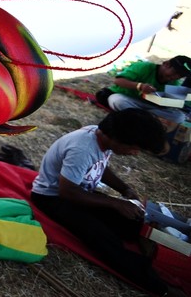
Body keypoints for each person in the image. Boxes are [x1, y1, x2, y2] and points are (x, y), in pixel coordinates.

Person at [29, 109, 181, 297]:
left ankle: (143, 244)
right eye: (135, 148)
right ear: (117, 138)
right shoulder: (82, 148)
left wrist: (123, 189)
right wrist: (114, 203)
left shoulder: (100, 137)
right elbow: (66, 192)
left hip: (79, 192)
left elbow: (101, 166)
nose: (134, 154)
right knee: (102, 237)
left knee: (132, 219)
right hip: (53, 198)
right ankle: (157, 285)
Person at [95, 55, 191, 124]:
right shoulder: (145, 67)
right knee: (116, 100)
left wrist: (174, 101)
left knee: (179, 117)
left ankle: (139, 118)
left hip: (147, 108)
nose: (176, 77)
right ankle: (145, 119)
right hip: (128, 99)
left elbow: (165, 104)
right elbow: (118, 81)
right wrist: (139, 86)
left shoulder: (174, 83)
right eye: (175, 72)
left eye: (180, 76)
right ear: (166, 64)